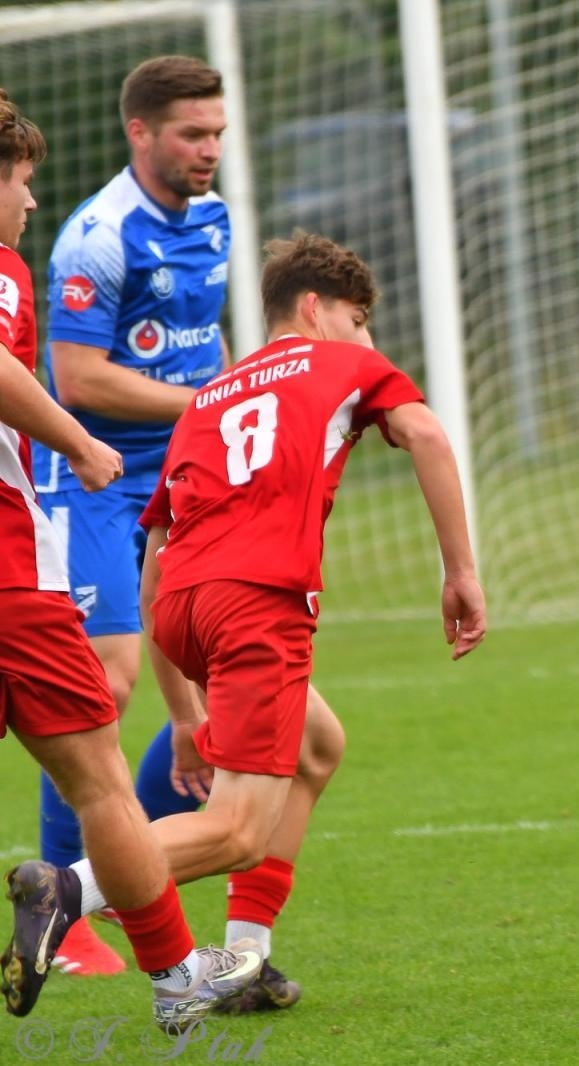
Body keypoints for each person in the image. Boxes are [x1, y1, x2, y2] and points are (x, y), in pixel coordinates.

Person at [45, 233, 484, 1006]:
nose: (367, 338)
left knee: (319, 746)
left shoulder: (212, 393)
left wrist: (183, 712)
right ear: (314, 308)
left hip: (183, 603)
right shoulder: (347, 364)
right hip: (257, 603)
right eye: (359, 318)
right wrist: (461, 573)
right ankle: (68, 892)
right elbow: (425, 433)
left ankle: (245, 960)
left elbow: (156, 548)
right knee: (238, 828)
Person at [0, 85, 260, 1032]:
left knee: (208, 675)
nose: (210, 149)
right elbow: (67, 377)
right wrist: (183, 410)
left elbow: (207, 342)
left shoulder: (218, 218)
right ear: (139, 130)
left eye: (218, 133)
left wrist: (222, 409)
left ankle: (113, 883)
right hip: (84, 486)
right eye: (193, 133)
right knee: (105, 697)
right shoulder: (86, 240)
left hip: (179, 472)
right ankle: (83, 914)